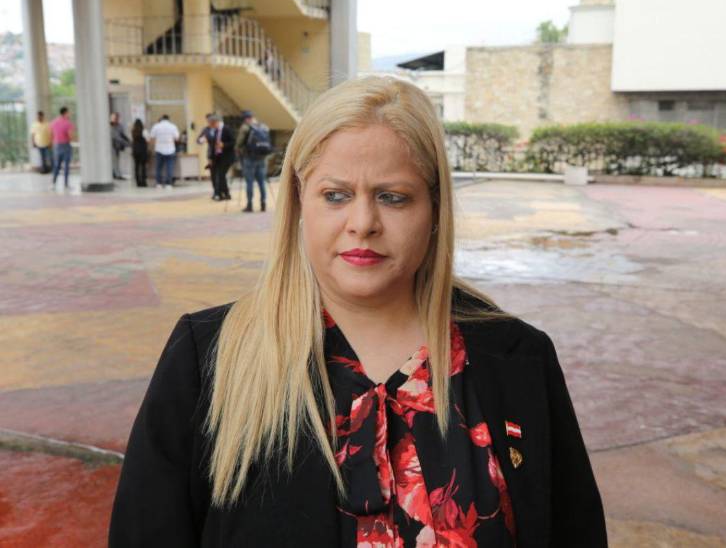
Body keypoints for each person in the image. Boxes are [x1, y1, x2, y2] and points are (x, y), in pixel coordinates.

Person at [109, 77, 607, 547]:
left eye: (393, 197)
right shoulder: (208, 358)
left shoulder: (517, 359)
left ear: (435, 209)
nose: (363, 222)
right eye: (336, 195)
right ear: (299, 202)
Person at [236, 110, 272, 212]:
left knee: (250, 182)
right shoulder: (262, 126)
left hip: (249, 158)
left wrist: (238, 150)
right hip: (262, 158)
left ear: (245, 119)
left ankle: (250, 205)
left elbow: (239, 143)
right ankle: (263, 204)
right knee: (261, 182)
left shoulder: (245, 127)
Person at [197, 113, 234, 201]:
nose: (210, 125)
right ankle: (220, 193)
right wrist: (210, 157)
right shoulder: (207, 129)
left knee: (220, 175)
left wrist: (223, 145)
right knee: (215, 175)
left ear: (215, 122)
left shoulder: (225, 129)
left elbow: (233, 142)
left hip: (225, 156)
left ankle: (221, 193)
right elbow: (199, 140)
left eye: (211, 123)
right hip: (214, 155)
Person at [149, 114, 179, 190]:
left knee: (159, 167)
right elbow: (177, 138)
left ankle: (159, 183)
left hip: (159, 149)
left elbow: (152, 138)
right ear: (169, 119)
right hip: (170, 149)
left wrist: (153, 147)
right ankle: (168, 184)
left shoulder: (156, 126)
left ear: (161, 119)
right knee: (169, 167)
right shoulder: (173, 126)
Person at [49, 106, 75, 190]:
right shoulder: (68, 123)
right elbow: (70, 136)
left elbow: (51, 134)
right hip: (65, 145)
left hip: (56, 145)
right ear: (65, 113)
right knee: (66, 166)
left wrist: (53, 143)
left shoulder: (53, 122)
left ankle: (53, 183)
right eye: (68, 112)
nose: (69, 114)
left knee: (57, 165)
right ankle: (66, 184)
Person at [110, 112, 131, 180]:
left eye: (117, 118)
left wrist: (128, 141)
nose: (116, 119)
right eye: (114, 118)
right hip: (112, 145)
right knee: (114, 160)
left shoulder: (119, 126)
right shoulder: (110, 126)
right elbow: (116, 137)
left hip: (117, 146)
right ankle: (117, 174)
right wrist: (127, 143)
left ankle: (115, 173)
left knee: (116, 159)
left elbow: (122, 135)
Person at [130, 119, 149, 187]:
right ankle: (143, 181)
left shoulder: (133, 131)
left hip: (136, 150)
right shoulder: (144, 131)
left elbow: (132, 140)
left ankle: (138, 182)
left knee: (136, 166)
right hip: (143, 150)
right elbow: (147, 140)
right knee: (143, 167)